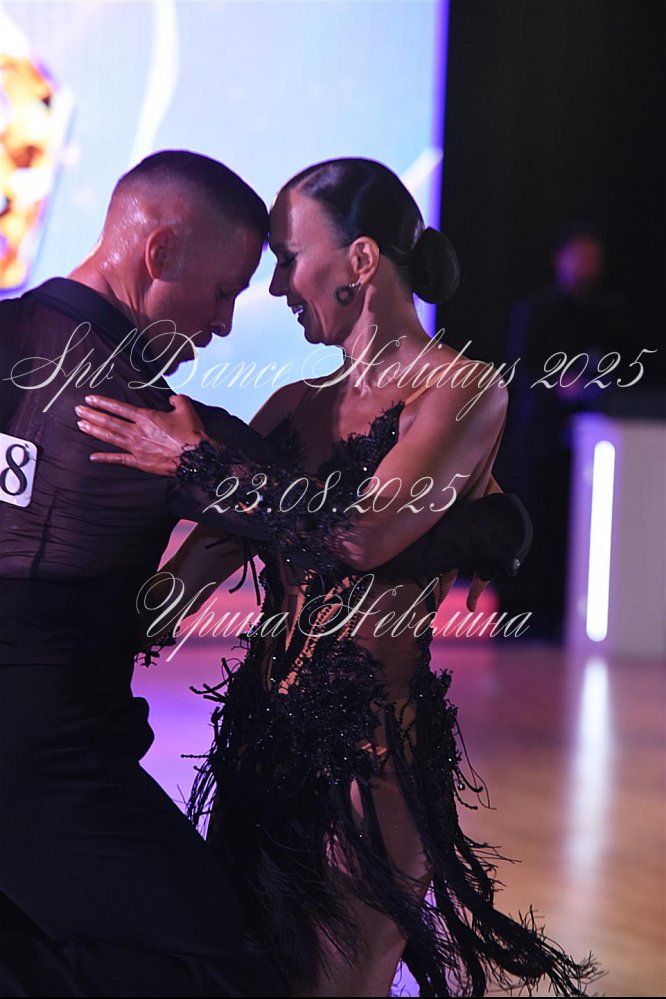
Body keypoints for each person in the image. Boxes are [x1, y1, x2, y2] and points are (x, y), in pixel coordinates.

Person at [0, 147, 531, 996]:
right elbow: (181, 583)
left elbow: (360, 533)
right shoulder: (289, 408)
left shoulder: (459, 388)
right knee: (236, 971)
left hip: (367, 753)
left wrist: (193, 466)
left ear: (361, 261)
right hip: (259, 740)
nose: (274, 288)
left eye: (287, 258)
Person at [495, 224, 633, 639]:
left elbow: (628, 363)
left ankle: (564, 615)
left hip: (591, 441)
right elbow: (520, 367)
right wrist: (559, 385)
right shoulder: (536, 310)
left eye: (593, 258)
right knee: (533, 524)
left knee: (576, 529)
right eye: (579, 256)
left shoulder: (610, 312)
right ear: (561, 260)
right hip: (539, 439)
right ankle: (522, 617)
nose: (586, 265)